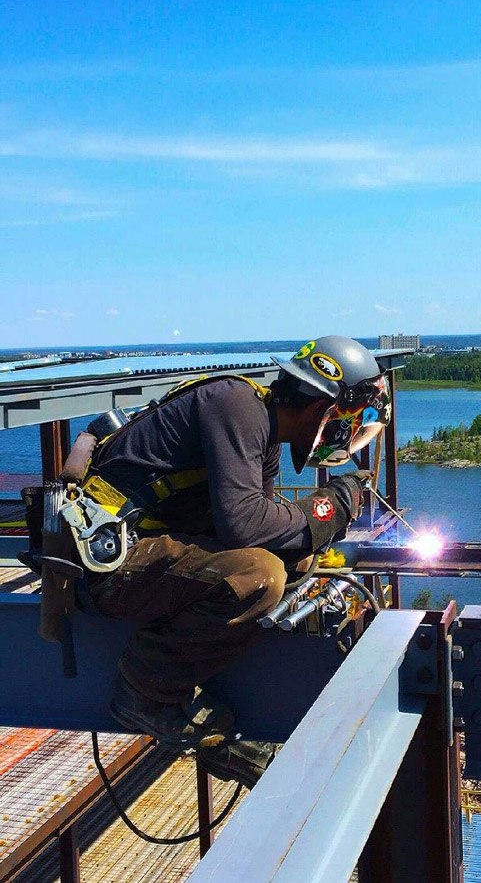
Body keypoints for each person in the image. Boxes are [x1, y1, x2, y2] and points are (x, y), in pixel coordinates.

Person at [76, 335, 391, 786]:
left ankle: (194, 668)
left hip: (138, 549)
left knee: (294, 562)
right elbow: (247, 525)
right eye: (347, 416)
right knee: (258, 576)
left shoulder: (259, 427)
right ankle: (146, 689)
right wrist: (332, 507)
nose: (347, 429)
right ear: (324, 408)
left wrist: (316, 525)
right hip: (104, 563)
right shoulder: (237, 405)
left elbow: (269, 526)